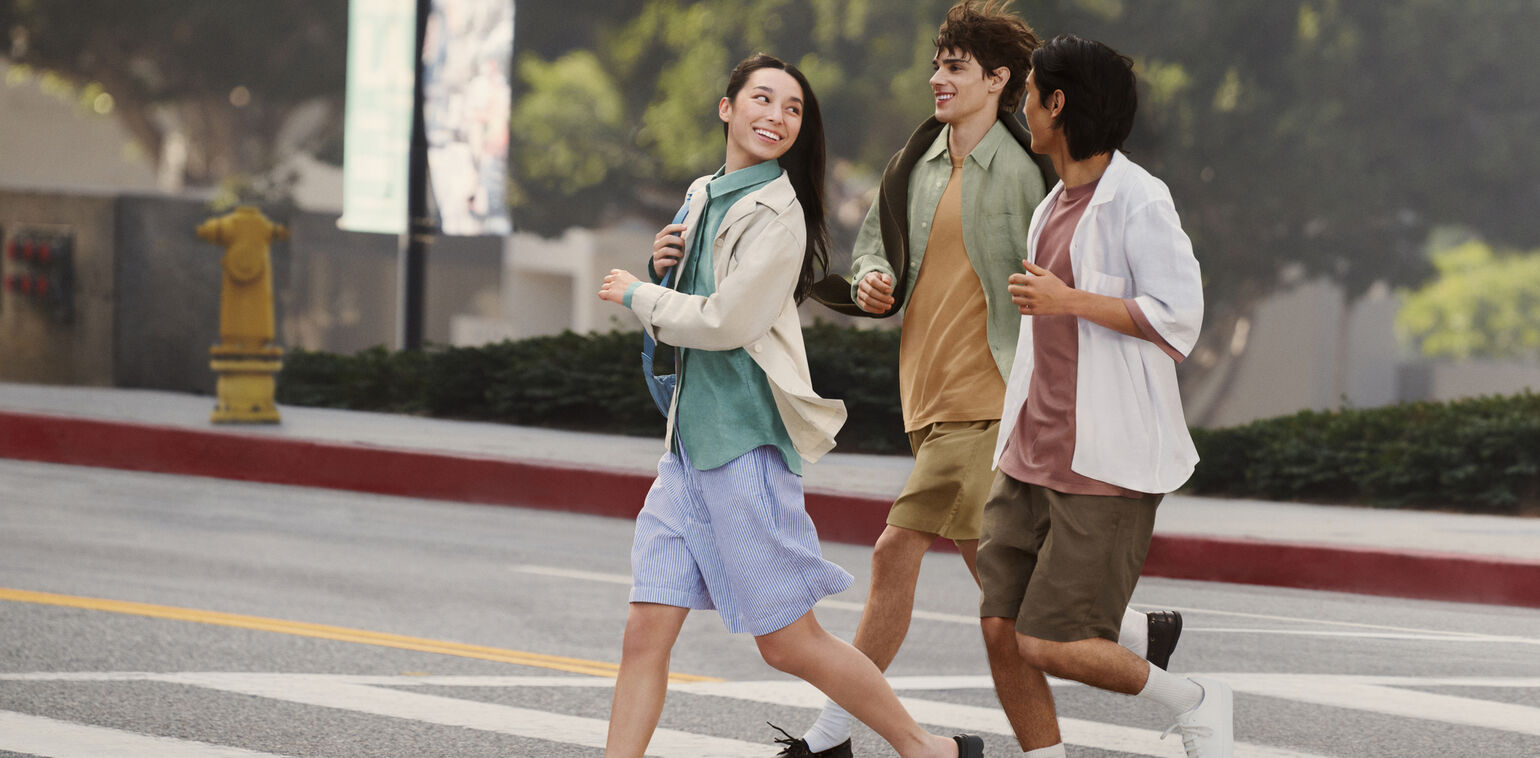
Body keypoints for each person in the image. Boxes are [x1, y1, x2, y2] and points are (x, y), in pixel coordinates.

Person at [783, 4, 1182, 756]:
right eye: (937, 62)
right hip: (929, 397)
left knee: (895, 552)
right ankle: (1134, 633)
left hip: (996, 398)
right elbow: (879, 254)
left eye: (956, 66)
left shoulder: (1030, 172)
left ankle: (831, 734)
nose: (938, 77)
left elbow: (1079, 270)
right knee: (998, 587)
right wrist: (871, 283)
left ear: (1001, 81)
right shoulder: (916, 161)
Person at [596, 53, 987, 758]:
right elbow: (692, 297)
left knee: (790, 644)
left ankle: (923, 747)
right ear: (726, 107)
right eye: (763, 100)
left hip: (743, 449)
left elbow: (724, 323)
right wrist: (662, 269)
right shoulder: (703, 191)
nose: (776, 117)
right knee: (642, 634)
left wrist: (637, 293)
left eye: (793, 109)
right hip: (685, 455)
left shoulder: (783, 215)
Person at [975, 35, 1230, 757]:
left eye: (1029, 94)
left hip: (1103, 466)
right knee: (1000, 631)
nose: (1022, 106)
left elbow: (1179, 317)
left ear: (1058, 104)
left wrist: (1069, 300)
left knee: (1052, 642)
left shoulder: (1140, 201)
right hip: (1029, 452)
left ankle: (1195, 701)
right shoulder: (1053, 200)